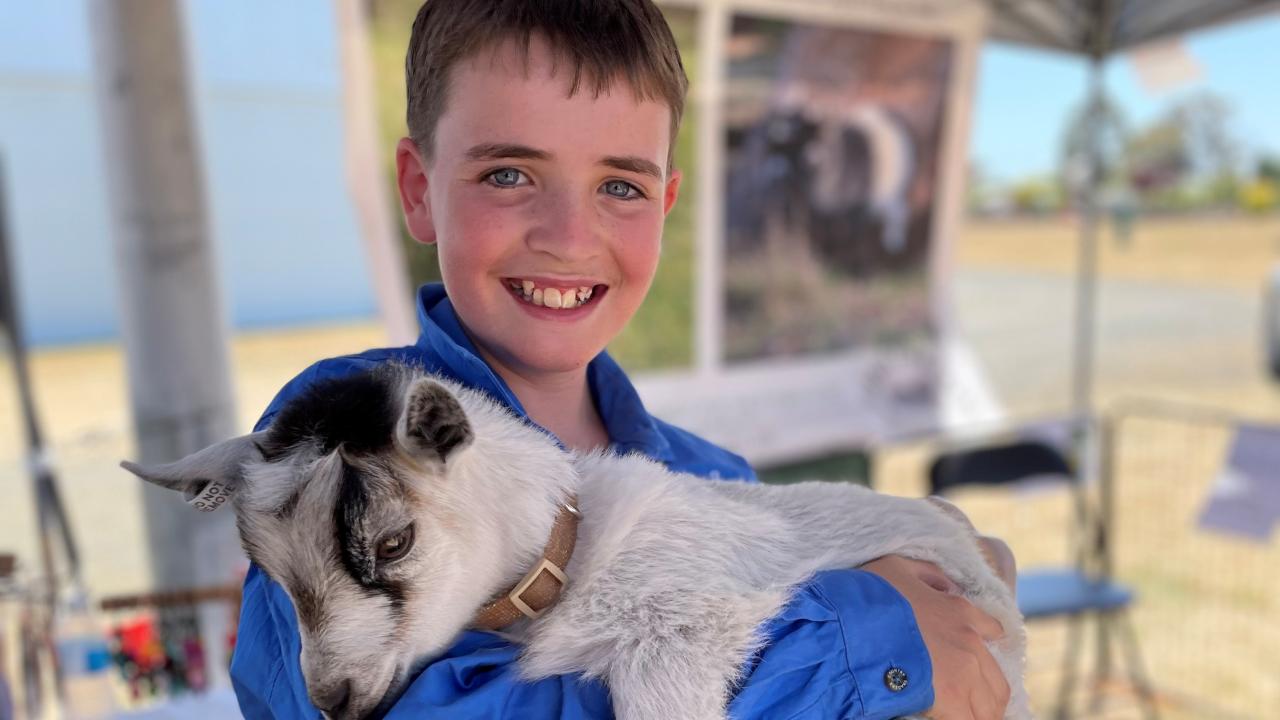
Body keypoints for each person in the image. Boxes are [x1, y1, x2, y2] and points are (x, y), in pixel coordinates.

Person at [229, 1, 1015, 718]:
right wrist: (873, 637)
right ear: (417, 188)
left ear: (666, 205)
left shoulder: (715, 475)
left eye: (620, 186)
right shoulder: (339, 444)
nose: (569, 238)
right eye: (508, 174)